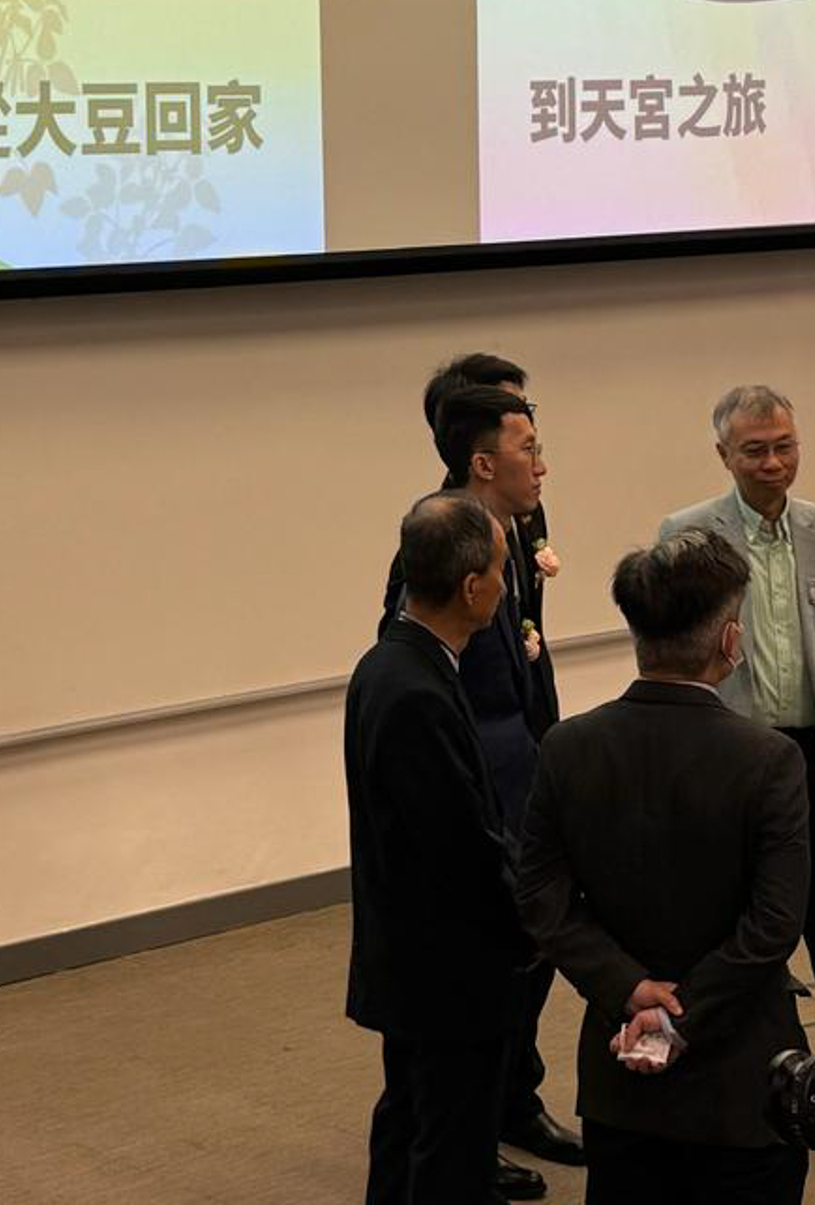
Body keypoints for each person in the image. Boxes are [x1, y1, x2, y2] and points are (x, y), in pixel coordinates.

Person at [516, 526, 810, 1205]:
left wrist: (629, 989)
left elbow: (542, 899)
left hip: (622, 1082)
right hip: (738, 1082)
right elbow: (773, 923)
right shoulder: (767, 760)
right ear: (730, 641)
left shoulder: (568, 747)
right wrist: (683, 1014)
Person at [383, 382, 574, 1189]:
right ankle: (472, 1135)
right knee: (487, 964)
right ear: (483, 461)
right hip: (477, 780)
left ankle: (512, 1099)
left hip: (525, 764)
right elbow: (420, 663)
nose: (542, 463)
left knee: (536, 951)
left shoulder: (521, 525)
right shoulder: (439, 540)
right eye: (529, 447)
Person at [657, 385, 815, 1033]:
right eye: (755, 451)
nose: (773, 463)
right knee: (745, 930)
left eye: (785, 447)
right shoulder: (687, 535)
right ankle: (755, 1073)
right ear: (724, 455)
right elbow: (671, 655)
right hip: (733, 763)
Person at [347, 493, 535, 1205]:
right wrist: (534, 924)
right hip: (448, 970)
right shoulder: (417, 691)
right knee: (451, 1149)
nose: (507, 587)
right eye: (501, 571)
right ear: (472, 587)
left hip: (412, 959)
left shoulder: (391, 663)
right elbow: (460, 849)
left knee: (407, 1122)